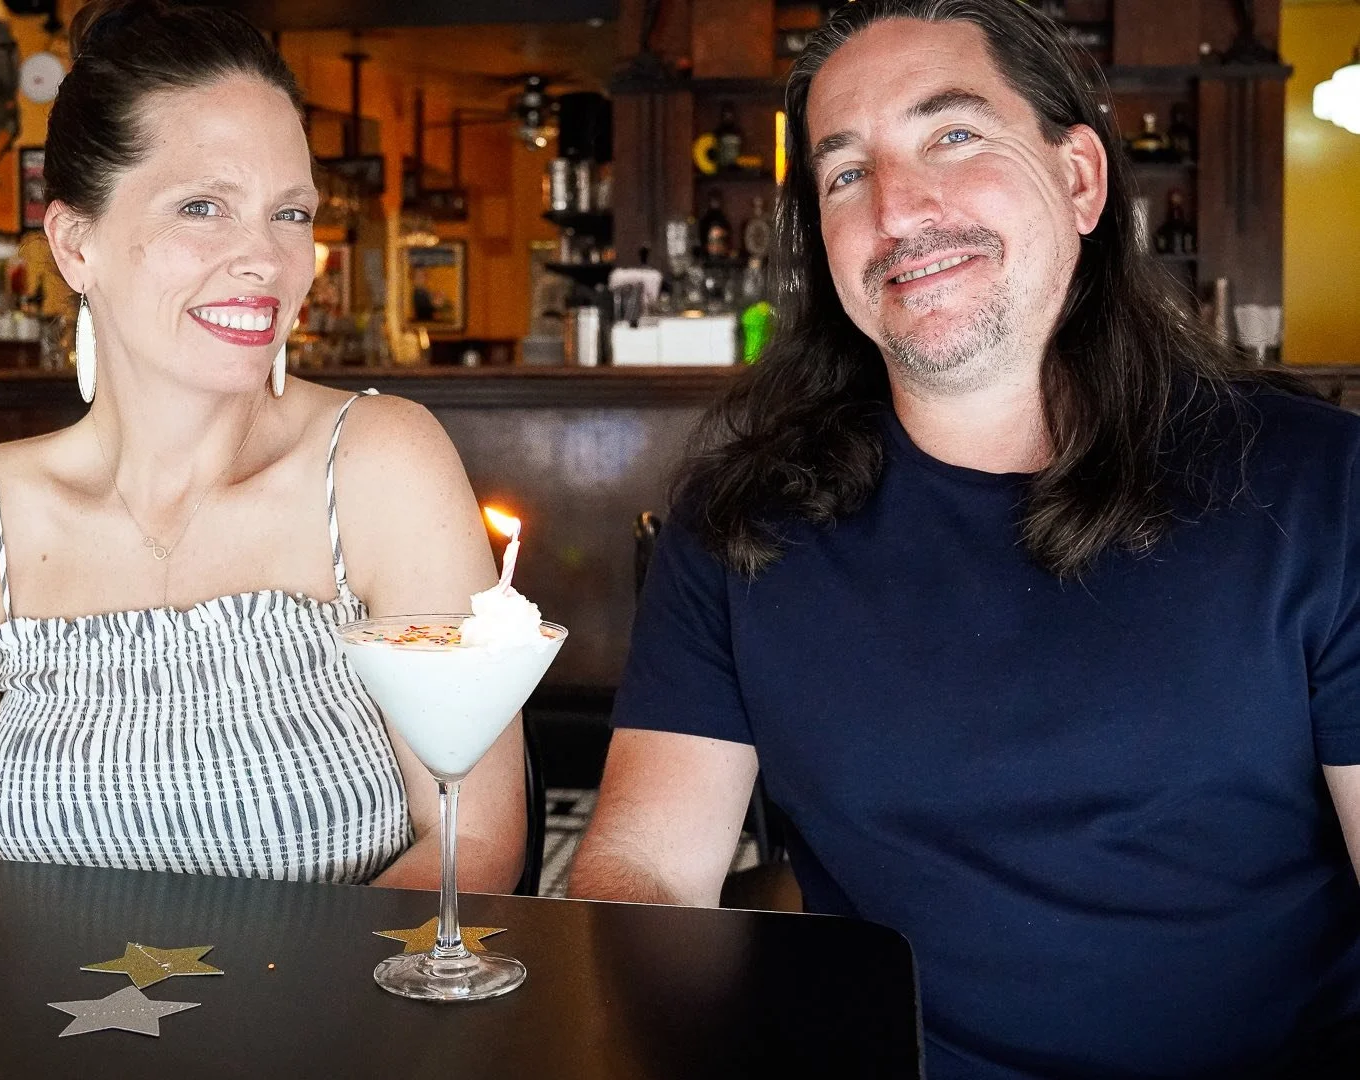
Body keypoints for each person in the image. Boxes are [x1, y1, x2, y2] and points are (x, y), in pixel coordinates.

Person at [569, 1, 1360, 1075]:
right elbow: (643, 876)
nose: (899, 209)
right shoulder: (743, 521)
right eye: (845, 173)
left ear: (1080, 180)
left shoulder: (1323, 487)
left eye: (953, 135)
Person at [0, 0, 525, 893]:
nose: (265, 258)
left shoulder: (382, 463)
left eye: (291, 214)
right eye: (201, 207)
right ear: (75, 244)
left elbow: (476, 837)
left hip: (334, 1027)